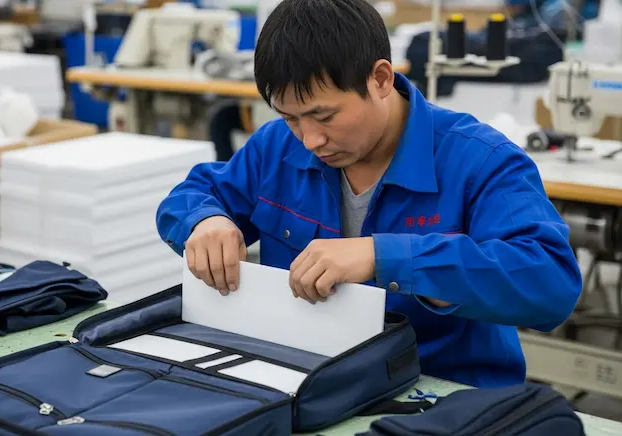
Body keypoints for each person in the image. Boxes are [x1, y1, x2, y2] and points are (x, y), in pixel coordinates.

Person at [155, 0, 582, 388]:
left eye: (324, 115)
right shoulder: (276, 147)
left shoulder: (479, 161)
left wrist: (386, 257)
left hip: (442, 396)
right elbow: (192, 194)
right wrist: (204, 220)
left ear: (380, 79)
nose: (309, 140)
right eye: (290, 118)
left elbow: (551, 284)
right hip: (306, 379)